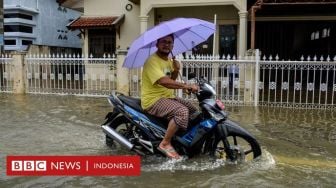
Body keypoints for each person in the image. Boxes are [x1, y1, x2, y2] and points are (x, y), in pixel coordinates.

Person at [141, 34, 198, 159]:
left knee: (194, 111)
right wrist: (185, 86)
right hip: (153, 100)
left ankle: (180, 139)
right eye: (163, 42)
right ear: (157, 44)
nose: (167, 45)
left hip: (168, 97)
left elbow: (170, 80)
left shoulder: (169, 61)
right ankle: (165, 143)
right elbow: (164, 82)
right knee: (182, 111)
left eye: (169, 42)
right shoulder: (152, 61)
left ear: (173, 45)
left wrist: (176, 70)